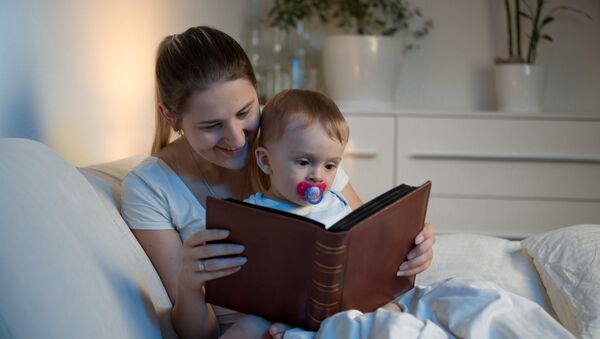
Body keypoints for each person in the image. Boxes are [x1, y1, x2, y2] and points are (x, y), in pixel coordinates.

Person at [120, 26, 436, 339]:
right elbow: (198, 334)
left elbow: (366, 241)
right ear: (169, 115)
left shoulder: (294, 143)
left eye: (245, 112)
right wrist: (189, 284)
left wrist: (410, 246)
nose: (236, 138)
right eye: (212, 125)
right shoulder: (150, 188)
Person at [245, 89, 352, 229]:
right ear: (266, 161)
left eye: (329, 166)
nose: (318, 177)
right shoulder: (248, 214)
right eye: (303, 162)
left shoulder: (338, 205)